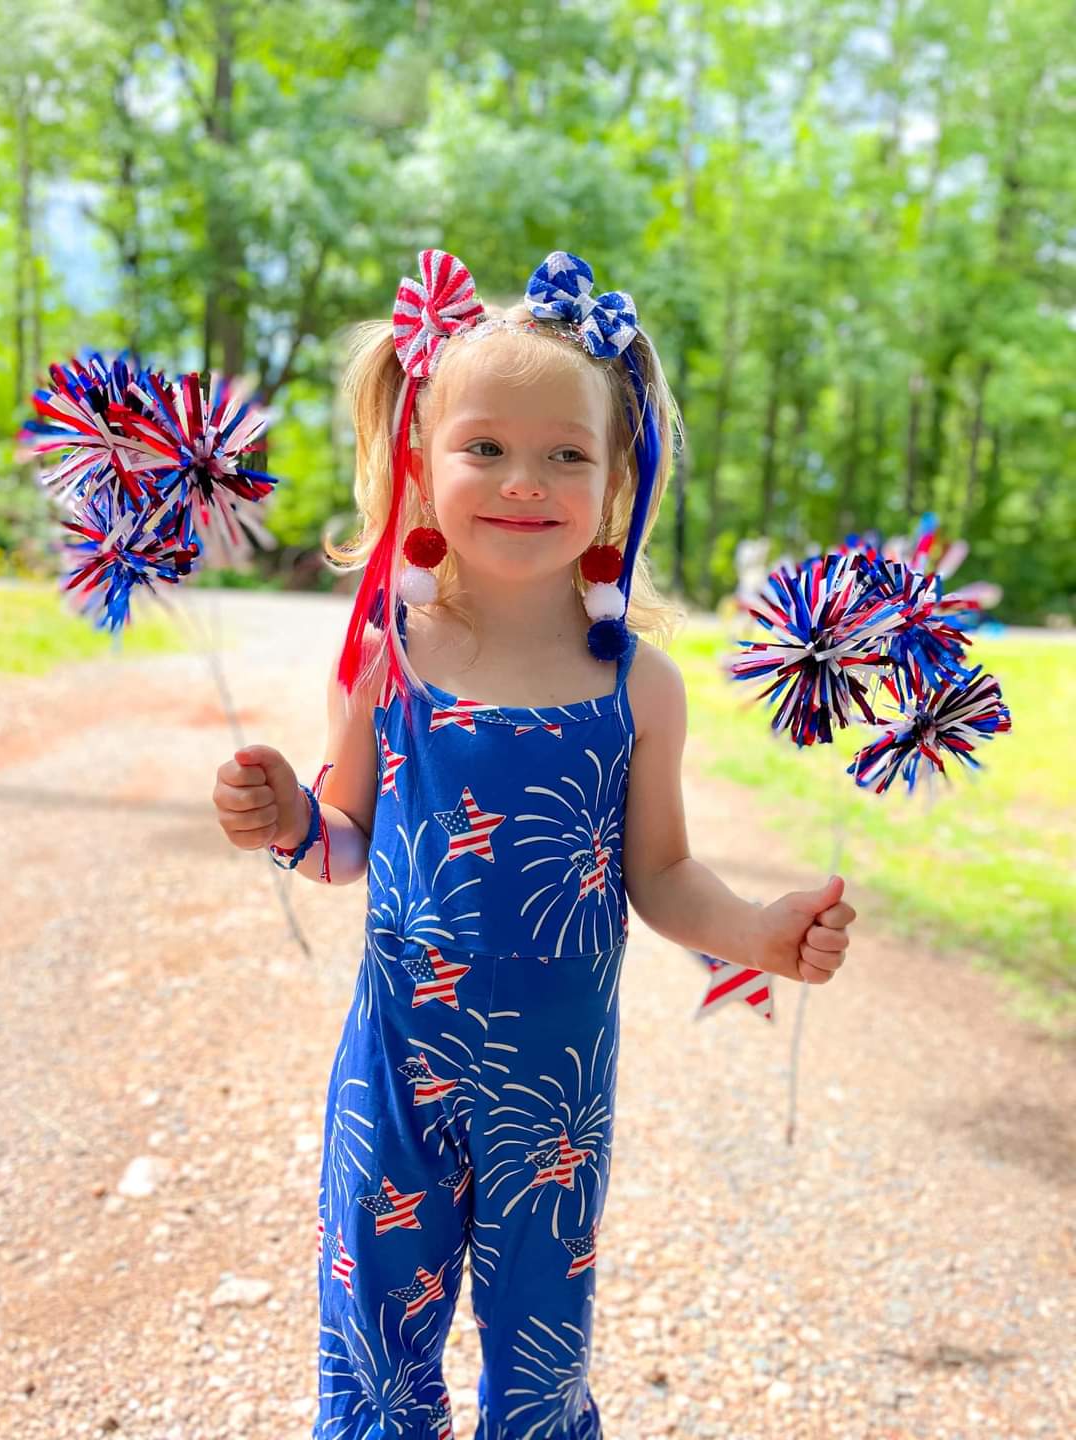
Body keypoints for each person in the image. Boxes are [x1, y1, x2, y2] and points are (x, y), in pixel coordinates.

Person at [212, 249, 857, 1439]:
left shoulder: (637, 689)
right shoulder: (385, 653)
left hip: (554, 1096)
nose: (526, 480)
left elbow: (659, 875)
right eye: (487, 447)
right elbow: (346, 838)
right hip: (395, 1070)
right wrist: (289, 821)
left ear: (617, 481)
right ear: (421, 455)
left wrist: (759, 933)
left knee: (541, 1356)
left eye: (568, 452)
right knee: (373, 1343)